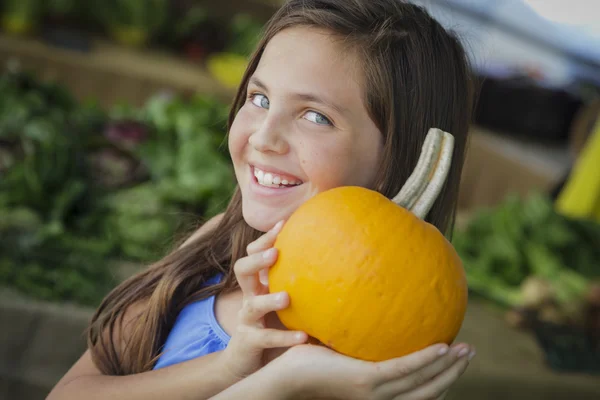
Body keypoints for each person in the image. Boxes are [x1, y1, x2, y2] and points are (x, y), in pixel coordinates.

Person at [48, 0, 476, 399]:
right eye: (260, 98)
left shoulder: (379, 352)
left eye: (315, 116)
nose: (263, 137)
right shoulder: (220, 240)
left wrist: (282, 383)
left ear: (403, 155)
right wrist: (228, 369)